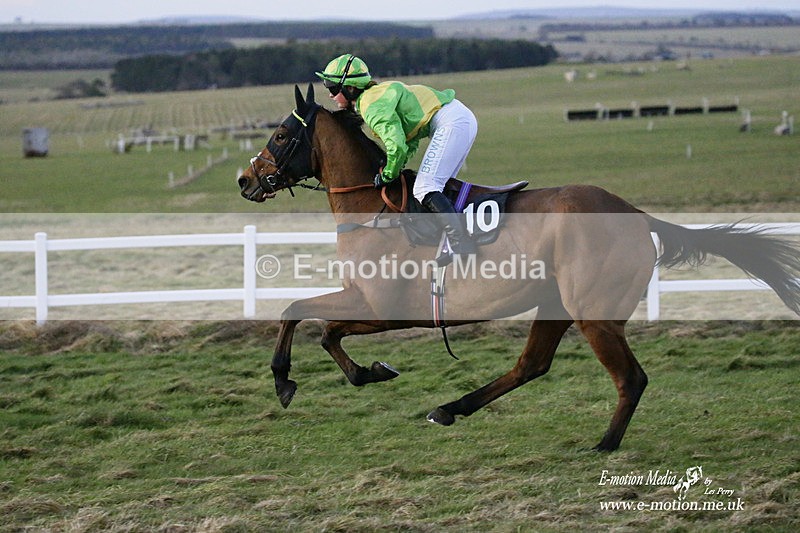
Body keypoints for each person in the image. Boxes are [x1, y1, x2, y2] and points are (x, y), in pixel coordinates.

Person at [315, 53, 477, 256]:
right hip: (457, 119)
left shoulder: (371, 105)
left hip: (452, 123)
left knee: (425, 187)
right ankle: (451, 240)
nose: (330, 94)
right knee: (437, 186)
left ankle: (460, 244)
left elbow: (397, 146)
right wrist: (395, 167)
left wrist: (388, 174)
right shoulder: (374, 96)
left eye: (331, 87)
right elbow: (410, 140)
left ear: (350, 87)